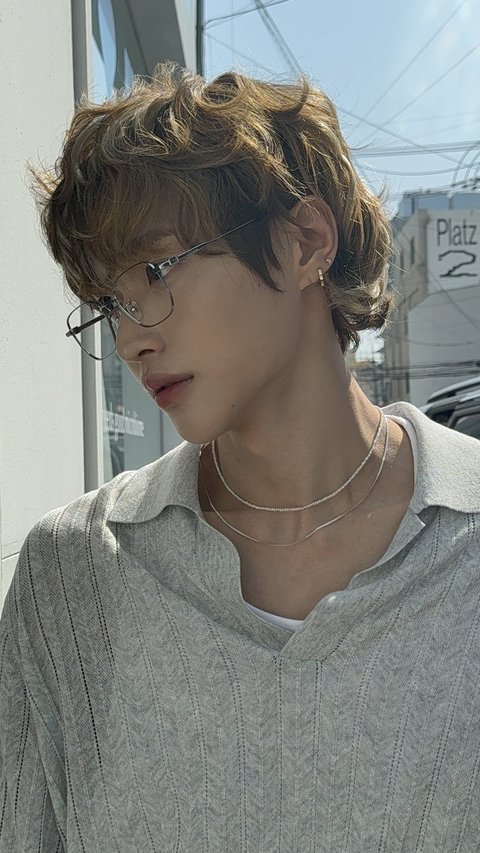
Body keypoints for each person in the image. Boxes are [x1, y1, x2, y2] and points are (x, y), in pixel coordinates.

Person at [1, 62, 479, 853]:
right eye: (109, 302)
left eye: (156, 269)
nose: (131, 336)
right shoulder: (73, 576)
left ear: (305, 242)